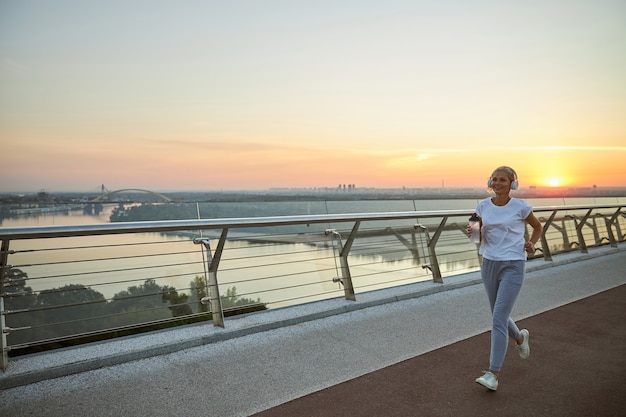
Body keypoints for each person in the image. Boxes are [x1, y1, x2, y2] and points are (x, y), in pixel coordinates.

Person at [469, 166, 543, 391]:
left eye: (503, 180)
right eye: (495, 179)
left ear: (512, 184)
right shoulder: (481, 206)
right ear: (490, 182)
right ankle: (520, 338)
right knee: (498, 315)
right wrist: (474, 232)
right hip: (489, 263)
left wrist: (531, 243)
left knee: (498, 318)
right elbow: (473, 236)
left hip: (513, 264)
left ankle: (493, 373)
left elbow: (537, 227)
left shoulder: (520, 206)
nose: (498, 183)